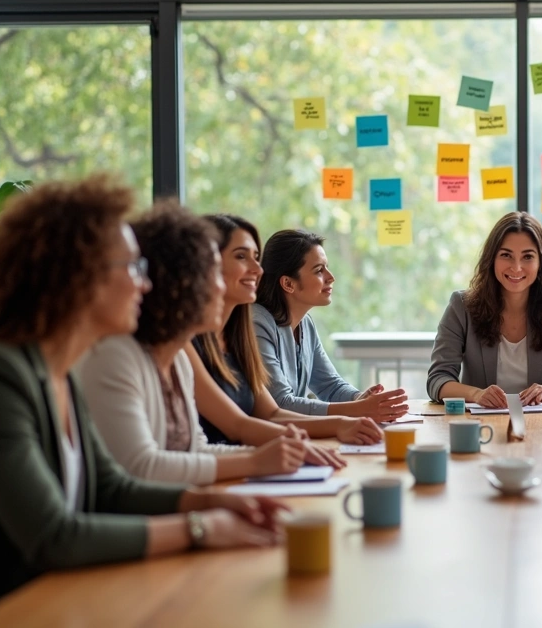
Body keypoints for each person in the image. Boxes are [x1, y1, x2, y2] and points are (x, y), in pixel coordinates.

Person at [0, 176, 287, 627]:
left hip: (52, 599)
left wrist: (208, 503)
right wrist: (202, 528)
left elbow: (114, 487)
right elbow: (54, 536)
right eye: (131, 268)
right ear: (77, 276)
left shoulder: (58, 374)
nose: (145, 285)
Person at [78, 205, 343, 486]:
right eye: (212, 273)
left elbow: (196, 448)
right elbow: (141, 469)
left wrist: (278, 454)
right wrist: (256, 461)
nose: (257, 271)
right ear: (175, 280)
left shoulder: (177, 358)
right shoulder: (117, 355)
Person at [189, 214, 382, 446]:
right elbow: (266, 412)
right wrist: (350, 414)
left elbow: (273, 414)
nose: (257, 269)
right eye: (241, 256)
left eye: (256, 258)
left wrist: (358, 403)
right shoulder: (251, 323)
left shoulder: (242, 335)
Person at [428, 211, 542, 407]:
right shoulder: (461, 306)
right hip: (479, 428)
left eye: (528, 257)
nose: (517, 267)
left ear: (541, 263)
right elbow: (438, 380)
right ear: (492, 259)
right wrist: (477, 394)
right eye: (506, 255)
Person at [252, 229, 408, 419]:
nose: (331, 277)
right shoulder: (257, 323)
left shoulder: (305, 324)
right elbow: (280, 404)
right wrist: (359, 409)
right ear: (288, 284)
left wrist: (360, 398)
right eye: (319, 270)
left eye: (327, 267)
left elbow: (330, 386)